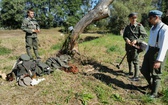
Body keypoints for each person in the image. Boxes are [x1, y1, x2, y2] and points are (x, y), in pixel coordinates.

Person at [140, 10, 168, 98]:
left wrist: (159, 60)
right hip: (150, 51)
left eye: (150, 18)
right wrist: (146, 52)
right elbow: (150, 42)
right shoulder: (152, 28)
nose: (149, 20)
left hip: (158, 52)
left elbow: (164, 46)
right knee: (144, 70)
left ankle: (154, 93)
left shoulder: (165, 28)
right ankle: (151, 85)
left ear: (157, 17)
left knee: (156, 74)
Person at [123, 12, 147, 81]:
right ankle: (130, 72)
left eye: (135, 18)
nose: (134, 19)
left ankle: (136, 76)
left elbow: (144, 35)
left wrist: (137, 40)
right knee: (129, 60)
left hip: (135, 47)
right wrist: (126, 39)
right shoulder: (127, 27)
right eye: (132, 18)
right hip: (128, 46)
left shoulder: (139, 26)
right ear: (129, 18)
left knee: (135, 61)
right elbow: (124, 36)